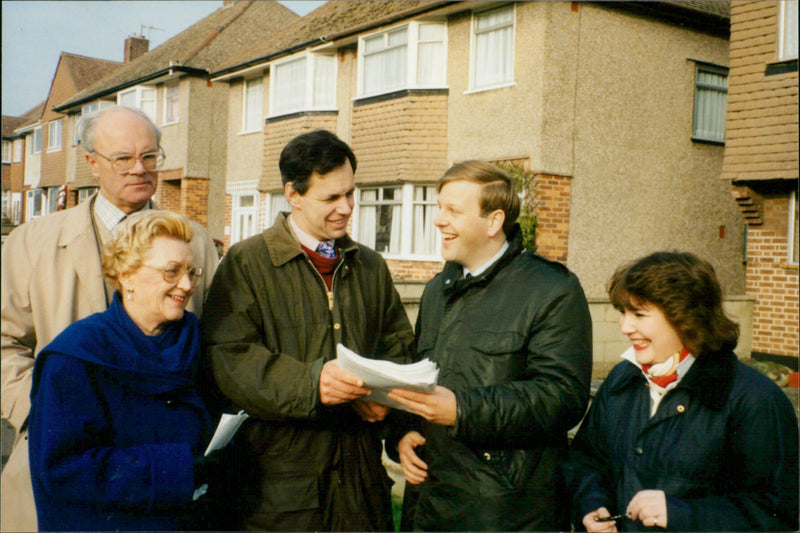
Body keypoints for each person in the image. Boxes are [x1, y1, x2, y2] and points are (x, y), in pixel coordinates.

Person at [0, 105, 218, 531]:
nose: (139, 169)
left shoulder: (198, 244)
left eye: (150, 157)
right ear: (91, 163)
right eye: (123, 158)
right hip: (63, 472)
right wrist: (43, 410)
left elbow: (210, 346)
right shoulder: (32, 242)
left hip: (163, 479)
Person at [202, 129, 415, 531]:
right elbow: (227, 358)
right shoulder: (245, 263)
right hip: (277, 494)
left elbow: (399, 346)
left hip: (360, 487)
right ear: (293, 195)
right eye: (331, 198)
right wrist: (312, 383)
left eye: (350, 193)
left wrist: (386, 401)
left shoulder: (370, 266)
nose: (346, 208)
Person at [387, 160, 593, 530]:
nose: (438, 220)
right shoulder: (437, 290)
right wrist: (401, 433)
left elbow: (562, 397)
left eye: (453, 211)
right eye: (439, 208)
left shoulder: (552, 290)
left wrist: (463, 410)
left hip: (504, 513)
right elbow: (419, 375)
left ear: (494, 221)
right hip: (429, 506)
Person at [566, 252, 799, 532]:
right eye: (623, 313)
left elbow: (776, 513)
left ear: (684, 316)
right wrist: (592, 504)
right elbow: (585, 462)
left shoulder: (754, 400)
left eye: (638, 314)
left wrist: (683, 515)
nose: (624, 327)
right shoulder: (620, 380)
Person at [25, 211, 227, 531]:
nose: (187, 285)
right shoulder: (75, 356)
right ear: (126, 274)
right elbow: (62, 468)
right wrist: (175, 470)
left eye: (192, 272)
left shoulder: (201, 342)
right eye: (171, 271)